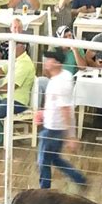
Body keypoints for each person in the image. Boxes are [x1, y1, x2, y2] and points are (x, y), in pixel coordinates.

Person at [36, 49, 87, 189]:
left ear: (57, 63)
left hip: (53, 129)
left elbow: (66, 109)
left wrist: (70, 136)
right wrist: (44, 113)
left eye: (49, 60)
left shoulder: (60, 83)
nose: (46, 62)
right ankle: (79, 179)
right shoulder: (64, 76)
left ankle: (44, 190)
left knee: (43, 162)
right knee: (54, 159)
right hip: (54, 127)